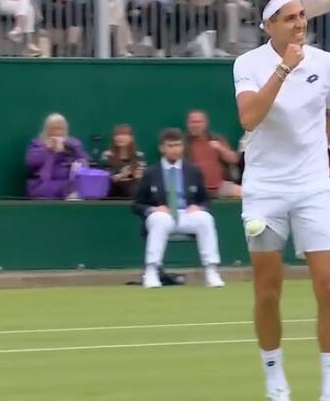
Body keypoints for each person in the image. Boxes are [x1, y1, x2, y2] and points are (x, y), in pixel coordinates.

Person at [233, 0, 330, 401]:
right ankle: (278, 390)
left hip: (315, 187)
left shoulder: (327, 64)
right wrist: (283, 70)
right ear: (269, 25)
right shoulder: (248, 65)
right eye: (290, 17)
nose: (299, 23)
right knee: (268, 291)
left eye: (302, 16)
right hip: (264, 192)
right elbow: (249, 117)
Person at [132, 128, 225, 288]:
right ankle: (152, 271)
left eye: (178, 145)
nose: (175, 149)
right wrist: (153, 210)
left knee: (205, 218)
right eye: (170, 146)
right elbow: (137, 204)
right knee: (160, 219)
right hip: (161, 215)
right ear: (162, 148)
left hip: (186, 214)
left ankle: (211, 270)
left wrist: (199, 206)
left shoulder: (193, 171)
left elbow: (205, 200)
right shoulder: (151, 173)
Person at [26, 113, 89, 199]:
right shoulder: (37, 143)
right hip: (43, 185)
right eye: (53, 128)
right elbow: (31, 162)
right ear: (47, 129)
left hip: (69, 184)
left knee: (78, 189)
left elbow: (84, 161)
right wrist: (49, 150)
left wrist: (68, 148)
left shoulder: (73, 143)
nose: (57, 132)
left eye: (61, 129)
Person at [185, 110, 242, 198]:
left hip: (219, 186)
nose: (195, 125)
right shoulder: (184, 143)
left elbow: (233, 159)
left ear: (205, 123)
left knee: (245, 193)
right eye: (192, 122)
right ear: (188, 124)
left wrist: (220, 148)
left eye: (198, 122)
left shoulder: (216, 138)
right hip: (194, 189)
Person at [100, 124, 146, 199]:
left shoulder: (139, 156)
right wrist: (123, 175)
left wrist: (137, 175)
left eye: (124, 135)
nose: (119, 138)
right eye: (117, 135)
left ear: (131, 138)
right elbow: (105, 178)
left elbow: (140, 177)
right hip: (112, 190)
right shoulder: (106, 155)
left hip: (132, 190)